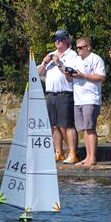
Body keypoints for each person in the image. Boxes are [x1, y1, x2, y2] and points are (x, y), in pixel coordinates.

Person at [37, 29, 79, 164]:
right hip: (50, 94)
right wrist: (44, 62)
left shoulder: (73, 55)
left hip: (64, 93)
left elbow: (71, 74)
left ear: (66, 40)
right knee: (54, 126)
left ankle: (72, 153)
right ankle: (58, 152)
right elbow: (37, 73)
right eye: (55, 40)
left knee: (66, 125)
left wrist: (60, 63)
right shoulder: (51, 55)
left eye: (59, 40)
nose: (56, 42)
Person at [69, 37, 106, 166]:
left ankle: (92, 157)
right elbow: (70, 79)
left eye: (81, 47)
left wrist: (83, 75)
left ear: (88, 47)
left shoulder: (96, 59)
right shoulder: (75, 60)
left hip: (91, 98)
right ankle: (87, 157)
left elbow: (101, 77)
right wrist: (67, 74)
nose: (78, 50)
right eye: (77, 47)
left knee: (90, 128)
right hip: (78, 99)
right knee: (84, 129)